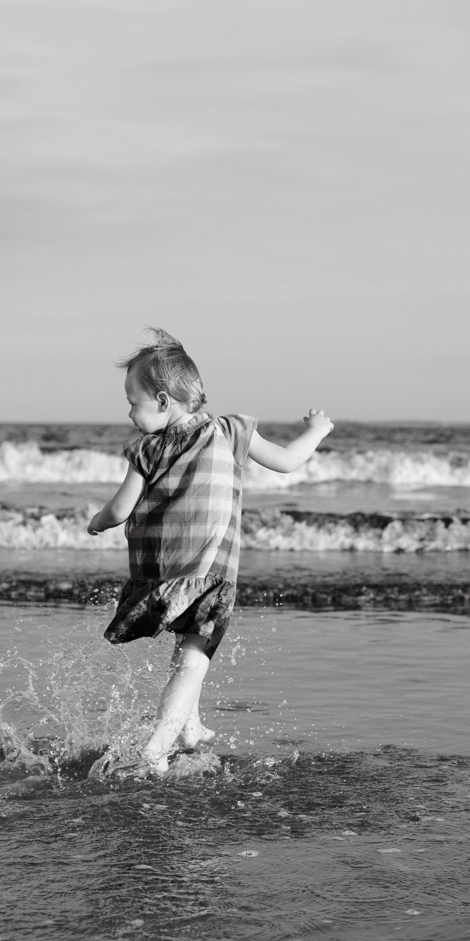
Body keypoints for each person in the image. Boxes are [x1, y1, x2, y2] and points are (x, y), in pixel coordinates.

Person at [86, 328, 332, 774]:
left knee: (186, 644)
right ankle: (156, 747)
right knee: (193, 659)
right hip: (209, 571)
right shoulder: (231, 429)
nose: (128, 413)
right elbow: (288, 460)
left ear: (163, 401)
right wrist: (316, 431)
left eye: (132, 402)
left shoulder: (146, 449)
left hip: (158, 574)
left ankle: (190, 726)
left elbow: (120, 509)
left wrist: (97, 521)